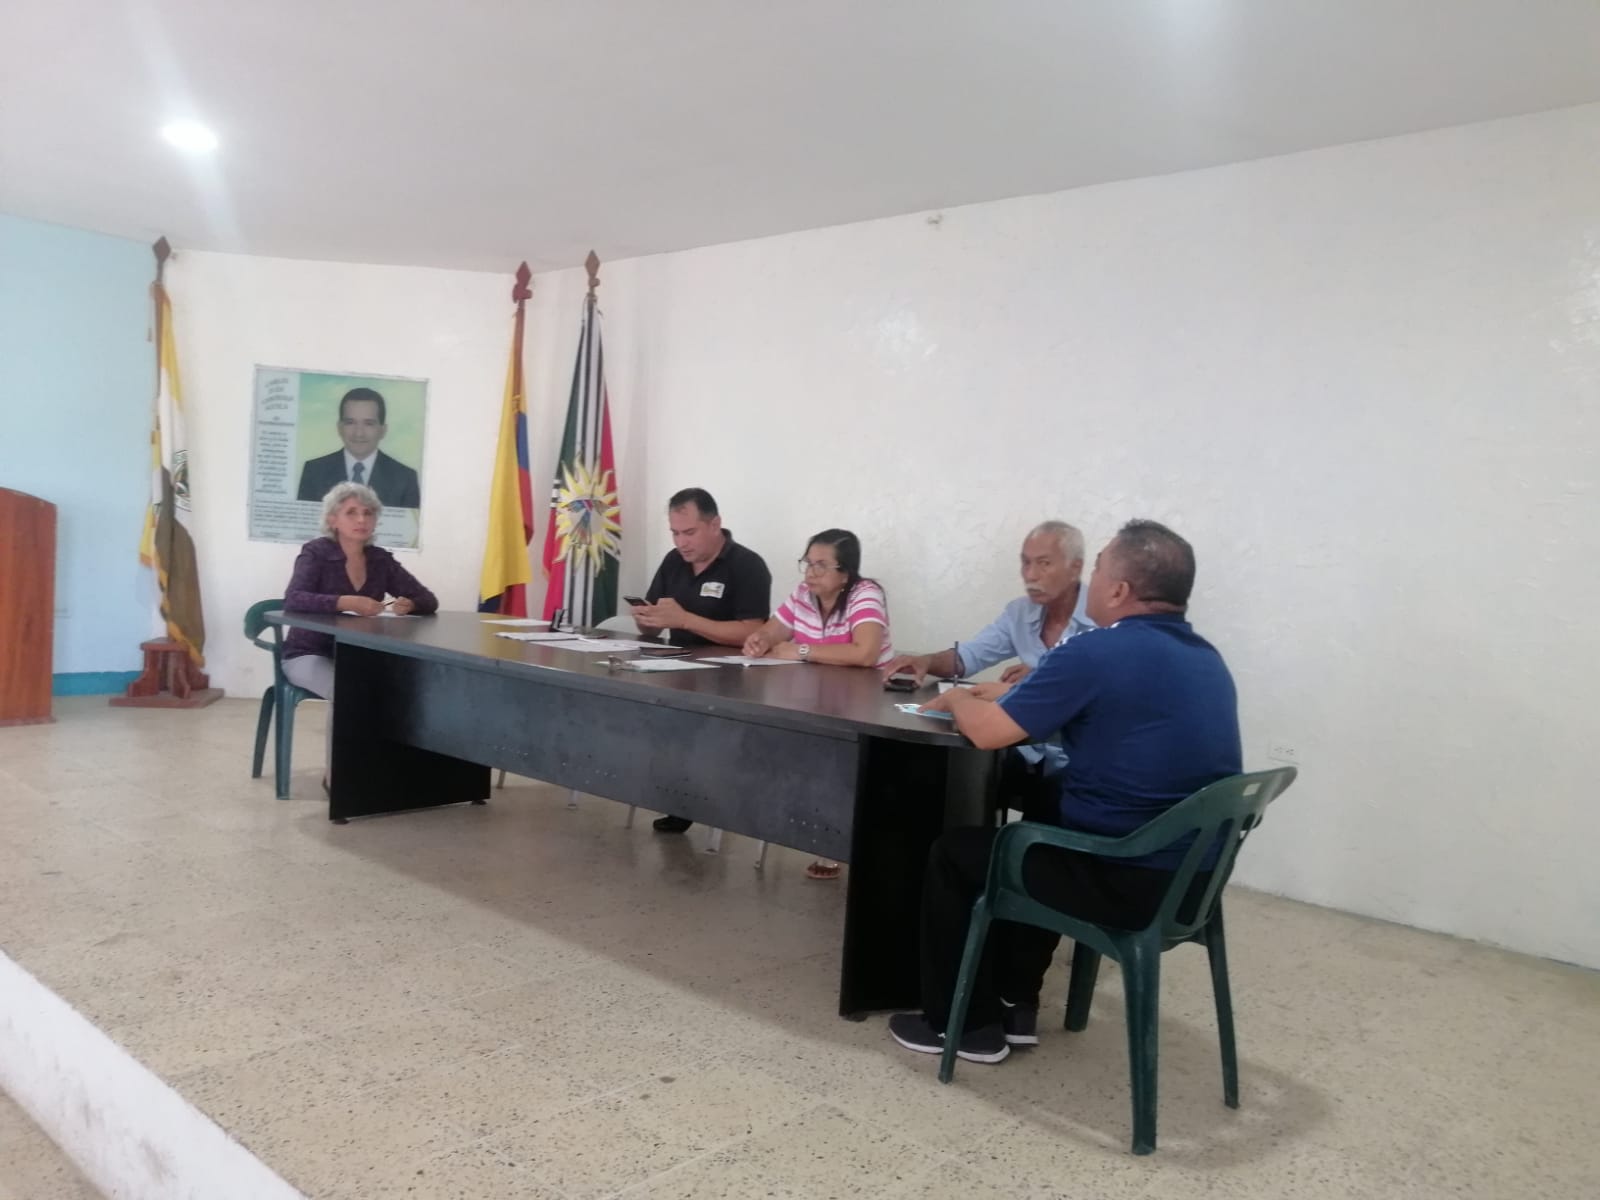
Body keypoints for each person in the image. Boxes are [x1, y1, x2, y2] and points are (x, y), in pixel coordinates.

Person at [887, 520, 1241, 1065]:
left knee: (956, 854)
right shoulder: (1206, 658)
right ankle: (1016, 1000)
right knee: (1048, 807)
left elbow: (988, 733)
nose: (1091, 581)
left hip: (1128, 879)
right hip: (1192, 884)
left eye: (1097, 568)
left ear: (1119, 590)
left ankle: (964, 1027)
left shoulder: (1097, 651)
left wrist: (957, 700)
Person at [882, 520, 1094, 822]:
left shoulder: (1103, 617)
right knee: (931, 772)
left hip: (1080, 761)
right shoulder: (1020, 612)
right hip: (1022, 749)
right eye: (1025, 563)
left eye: (1044, 563)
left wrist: (1036, 679)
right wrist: (926, 661)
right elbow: (970, 655)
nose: (1031, 575)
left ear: (1075, 567)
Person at [743, 528, 893, 879]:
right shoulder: (803, 594)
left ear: (845, 573)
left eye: (821, 566)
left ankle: (833, 841)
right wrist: (760, 639)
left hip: (866, 707)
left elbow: (866, 653)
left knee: (834, 759)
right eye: (808, 563)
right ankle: (803, 828)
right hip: (813, 701)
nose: (810, 573)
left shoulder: (865, 594)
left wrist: (801, 650)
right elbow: (774, 630)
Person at [632, 488, 773, 835]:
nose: (681, 542)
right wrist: (646, 618)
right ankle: (679, 802)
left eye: (689, 532)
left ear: (715, 524)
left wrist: (685, 620)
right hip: (676, 670)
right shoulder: (672, 561)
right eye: (675, 533)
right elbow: (654, 622)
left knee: (702, 739)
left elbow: (753, 631)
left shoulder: (747, 565)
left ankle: (712, 806)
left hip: (730, 680)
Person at [282, 482, 438, 787]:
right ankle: (338, 780)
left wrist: (411, 604)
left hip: (359, 655)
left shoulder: (380, 560)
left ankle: (388, 771)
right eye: (351, 512)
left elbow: (428, 599)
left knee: (408, 687)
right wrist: (344, 602)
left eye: (368, 513)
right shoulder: (315, 553)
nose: (361, 519)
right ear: (333, 520)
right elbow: (294, 599)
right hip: (308, 653)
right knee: (346, 691)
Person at [297, 387, 421, 508]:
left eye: (369, 424)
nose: (359, 433)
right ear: (339, 428)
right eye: (350, 423)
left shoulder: (405, 478)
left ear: (383, 430)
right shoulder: (314, 472)